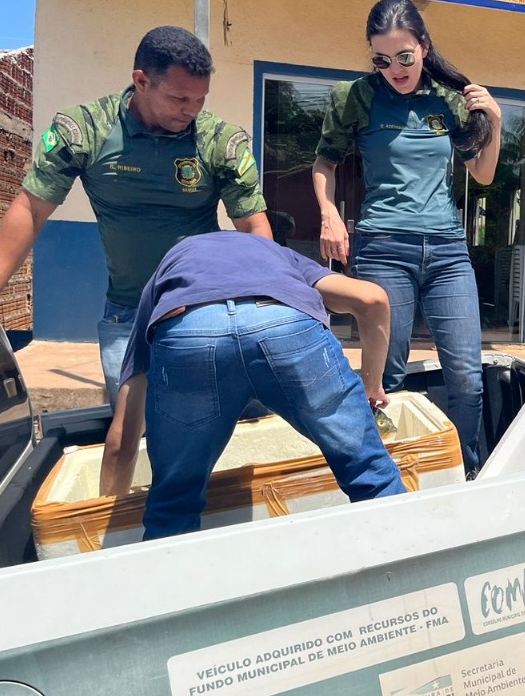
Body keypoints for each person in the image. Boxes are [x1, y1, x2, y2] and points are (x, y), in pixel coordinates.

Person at [0, 26, 271, 405]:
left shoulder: (219, 140)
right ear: (141, 81)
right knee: (128, 430)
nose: (192, 110)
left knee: (205, 424)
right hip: (128, 313)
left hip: (204, 309)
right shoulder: (85, 130)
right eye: (180, 98)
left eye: (201, 99)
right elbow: (31, 207)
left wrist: (268, 300)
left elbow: (253, 224)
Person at [100, 231, 406, 540]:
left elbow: (121, 442)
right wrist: (372, 385)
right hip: (283, 320)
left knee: (173, 504)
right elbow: (372, 299)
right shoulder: (280, 256)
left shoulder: (166, 274)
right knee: (371, 473)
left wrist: (105, 532)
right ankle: (409, 570)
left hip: (189, 329)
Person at [311, 0, 501, 474]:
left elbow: (481, 174)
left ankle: (463, 472)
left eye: (404, 57)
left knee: (467, 376)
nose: (394, 68)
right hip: (383, 248)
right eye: (382, 59)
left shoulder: (448, 101)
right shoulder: (355, 97)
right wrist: (329, 214)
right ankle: (388, 472)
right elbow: (325, 163)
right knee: (386, 374)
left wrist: (495, 121)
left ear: (424, 48)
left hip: (447, 252)